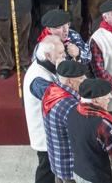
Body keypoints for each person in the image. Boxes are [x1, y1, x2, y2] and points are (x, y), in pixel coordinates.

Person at [23, 36, 66, 183]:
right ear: (48, 55)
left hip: (51, 130)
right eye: (60, 54)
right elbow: (56, 98)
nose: (64, 56)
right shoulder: (37, 78)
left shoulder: (48, 65)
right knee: (46, 169)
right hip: (44, 133)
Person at [67, 79, 112, 183]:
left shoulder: (72, 111)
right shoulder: (103, 124)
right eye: (106, 95)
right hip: (98, 177)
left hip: (78, 172)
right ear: (95, 100)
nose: (110, 97)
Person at [42, 61, 87, 183]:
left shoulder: (52, 91)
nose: (85, 80)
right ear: (70, 82)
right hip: (70, 166)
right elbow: (82, 136)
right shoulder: (71, 105)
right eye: (81, 78)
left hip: (57, 161)